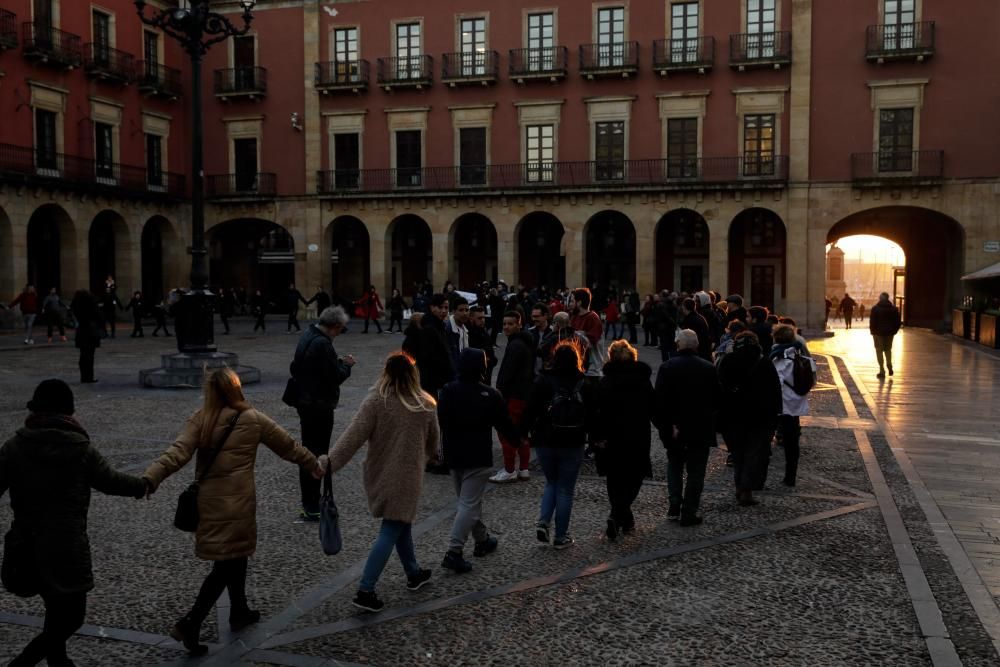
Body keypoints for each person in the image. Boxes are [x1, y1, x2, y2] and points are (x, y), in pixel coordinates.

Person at [143, 368, 324, 655]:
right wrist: (313, 464)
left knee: (235, 557)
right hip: (238, 503)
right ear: (236, 389)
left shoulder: (201, 419)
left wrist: (150, 478)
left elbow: (176, 452)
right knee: (226, 565)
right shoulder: (253, 418)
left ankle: (239, 610)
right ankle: (191, 622)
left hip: (210, 502)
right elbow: (287, 445)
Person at [1, 379, 148, 667]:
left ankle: (59, 661)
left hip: (26, 543)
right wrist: (142, 485)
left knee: (54, 607)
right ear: (68, 411)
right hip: (66, 546)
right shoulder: (80, 448)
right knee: (71, 616)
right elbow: (110, 481)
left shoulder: (15, 446)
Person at [322, 353, 439, 612]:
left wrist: (329, 463)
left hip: (379, 473)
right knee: (392, 527)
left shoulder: (376, 401)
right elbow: (433, 445)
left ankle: (413, 572)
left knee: (400, 522)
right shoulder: (426, 404)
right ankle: (366, 589)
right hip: (408, 477)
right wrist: (428, 456)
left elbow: (352, 437)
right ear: (413, 374)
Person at [438, 348, 520, 573]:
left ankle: (482, 539)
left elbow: (442, 421)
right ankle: (454, 552)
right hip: (477, 455)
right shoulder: (490, 395)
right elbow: (504, 424)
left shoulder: (447, 391)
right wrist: (518, 440)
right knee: (469, 504)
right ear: (482, 368)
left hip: (454, 454)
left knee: (469, 502)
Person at [521, 342, 594, 549]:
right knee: (566, 489)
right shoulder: (583, 383)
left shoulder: (543, 380)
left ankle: (544, 520)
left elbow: (530, 409)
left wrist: (522, 433)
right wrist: (595, 437)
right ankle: (561, 537)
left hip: (546, 439)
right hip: (573, 440)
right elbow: (592, 414)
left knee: (551, 482)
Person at [288, 306, 355, 520]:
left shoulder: (308, 335)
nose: (339, 334)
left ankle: (309, 502)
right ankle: (312, 504)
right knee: (317, 454)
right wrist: (347, 366)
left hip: (306, 402)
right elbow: (334, 376)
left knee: (308, 451)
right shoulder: (323, 344)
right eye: (341, 330)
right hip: (318, 406)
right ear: (334, 327)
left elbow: (297, 366)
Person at [593, 340, 656, 540]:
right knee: (635, 476)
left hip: (611, 437)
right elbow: (654, 408)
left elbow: (597, 413)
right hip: (637, 435)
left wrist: (596, 436)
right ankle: (619, 514)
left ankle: (620, 515)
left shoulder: (605, 382)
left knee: (614, 478)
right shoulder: (643, 381)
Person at [657, 330, 721, 525]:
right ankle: (689, 511)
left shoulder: (667, 367)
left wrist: (665, 425)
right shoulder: (709, 368)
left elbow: (659, 401)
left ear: (678, 345)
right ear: (696, 346)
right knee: (696, 471)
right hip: (700, 427)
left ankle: (674, 504)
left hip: (675, 427)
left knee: (674, 465)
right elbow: (717, 399)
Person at [718, 332, 782, 506]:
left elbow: (719, 388)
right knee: (753, 453)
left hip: (732, 416)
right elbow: (775, 391)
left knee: (737, 453)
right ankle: (746, 489)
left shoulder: (727, 360)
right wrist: (776, 415)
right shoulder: (764, 362)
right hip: (759, 416)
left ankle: (740, 486)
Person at [490, 310, 536, 483]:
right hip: (524, 394)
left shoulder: (516, 345)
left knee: (506, 433)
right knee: (522, 432)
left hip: (513, 396)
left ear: (519, 324)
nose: (506, 327)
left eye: (510, 324)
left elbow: (507, 373)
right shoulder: (525, 342)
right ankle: (523, 468)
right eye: (504, 324)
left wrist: (500, 390)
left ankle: (509, 469)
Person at [769, 324, 816, 487]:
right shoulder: (800, 355)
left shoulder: (778, 357)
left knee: (765, 439)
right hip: (795, 406)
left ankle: (759, 478)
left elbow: (777, 383)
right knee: (792, 443)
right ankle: (790, 476)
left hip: (780, 406)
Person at [415, 293, 455, 398]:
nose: (444, 311)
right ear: (432, 307)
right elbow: (427, 358)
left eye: (446, 308)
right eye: (440, 307)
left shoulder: (440, 325)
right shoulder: (429, 328)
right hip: (434, 382)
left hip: (441, 380)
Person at [570, 287, 604, 380]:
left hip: (592, 372)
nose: (570, 304)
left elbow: (589, 344)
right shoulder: (574, 317)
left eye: (572, 301)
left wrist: (573, 333)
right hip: (577, 369)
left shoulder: (593, 318)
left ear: (579, 302)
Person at [70, 290, 102, 384]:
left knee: (83, 356)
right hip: (90, 332)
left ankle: (84, 377)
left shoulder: (76, 306)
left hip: (81, 332)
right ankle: (89, 377)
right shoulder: (91, 305)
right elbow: (99, 316)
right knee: (89, 356)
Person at [869, 292, 902, 379]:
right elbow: (898, 322)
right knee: (888, 349)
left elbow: (872, 322)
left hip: (878, 333)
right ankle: (889, 365)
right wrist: (894, 331)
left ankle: (882, 370)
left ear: (880, 298)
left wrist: (873, 332)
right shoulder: (894, 309)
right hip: (889, 333)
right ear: (887, 298)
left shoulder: (875, 309)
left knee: (879, 350)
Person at [467, 305, 497, 384]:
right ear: (471, 318)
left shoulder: (483, 331)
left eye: (483, 317)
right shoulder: (469, 335)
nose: (483, 320)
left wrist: (493, 359)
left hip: (486, 374)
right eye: (479, 318)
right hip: (476, 377)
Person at [680, 297, 712, 361]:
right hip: (704, 351)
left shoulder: (690, 320)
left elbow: (690, 339)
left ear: (684, 307)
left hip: (697, 352)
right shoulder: (699, 317)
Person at [445, 296, 470, 367]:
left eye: (467, 310)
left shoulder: (464, 329)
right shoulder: (447, 329)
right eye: (461, 310)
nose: (465, 313)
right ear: (453, 311)